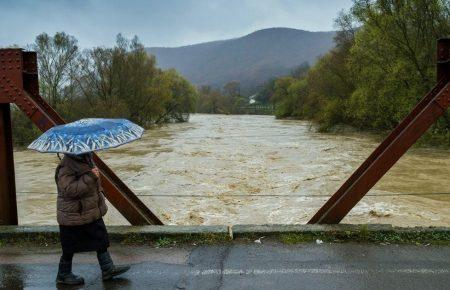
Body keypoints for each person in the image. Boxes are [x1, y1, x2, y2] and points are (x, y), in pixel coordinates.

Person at [55, 152, 130, 285]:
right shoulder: (66, 165)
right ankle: (63, 274)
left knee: (101, 239)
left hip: (89, 210)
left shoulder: (86, 158)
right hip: (73, 214)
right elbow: (69, 190)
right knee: (69, 246)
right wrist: (90, 177)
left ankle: (107, 269)